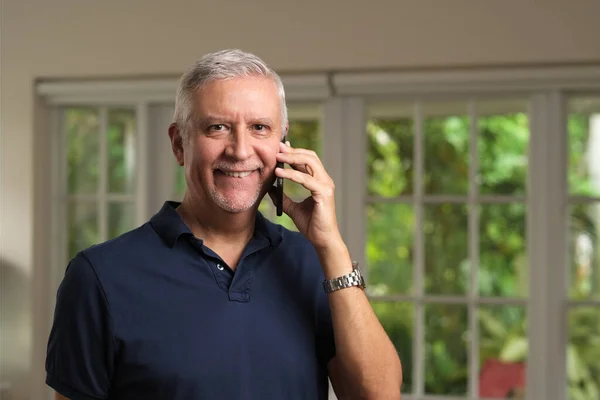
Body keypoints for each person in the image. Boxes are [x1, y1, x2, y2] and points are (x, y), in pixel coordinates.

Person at [46, 49, 402, 400]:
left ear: (282, 142)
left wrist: (331, 247)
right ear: (179, 143)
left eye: (260, 128)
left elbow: (379, 395)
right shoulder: (100, 276)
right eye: (218, 128)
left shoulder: (313, 264)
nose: (241, 150)